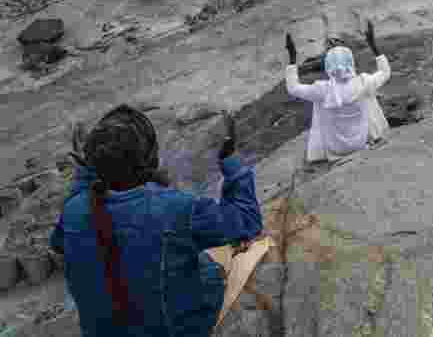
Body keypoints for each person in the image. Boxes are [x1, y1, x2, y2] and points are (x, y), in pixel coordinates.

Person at [50, 106, 262, 336]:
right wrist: (231, 160)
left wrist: (85, 172)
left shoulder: (74, 209)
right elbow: (247, 220)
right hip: (173, 330)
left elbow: (59, 244)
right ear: (151, 159)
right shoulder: (179, 209)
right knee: (208, 268)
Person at [284, 25, 392, 163]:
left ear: (328, 65)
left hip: (335, 149)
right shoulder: (363, 82)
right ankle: (375, 134)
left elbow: (292, 88)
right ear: (350, 62)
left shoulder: (322, 90)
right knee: (369, 96)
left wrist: (292, 57)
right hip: (360, 143)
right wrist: (373, 46)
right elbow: (385, 72)